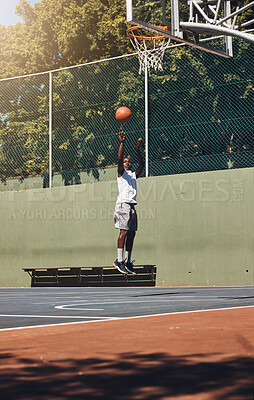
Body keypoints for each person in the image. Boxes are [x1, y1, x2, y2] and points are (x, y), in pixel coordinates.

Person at [113, 132, 144, 274]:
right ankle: (119, 261)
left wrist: (138, 150)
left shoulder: (133, 174)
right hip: (123, 205)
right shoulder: (121, 173)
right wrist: (122, 143)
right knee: (124, 232)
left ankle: (128, 261)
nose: (127, 162)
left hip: (132, 205)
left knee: (132, 233)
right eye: (126, 161)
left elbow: (142, 164)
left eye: (129, 161)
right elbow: (119, 158)